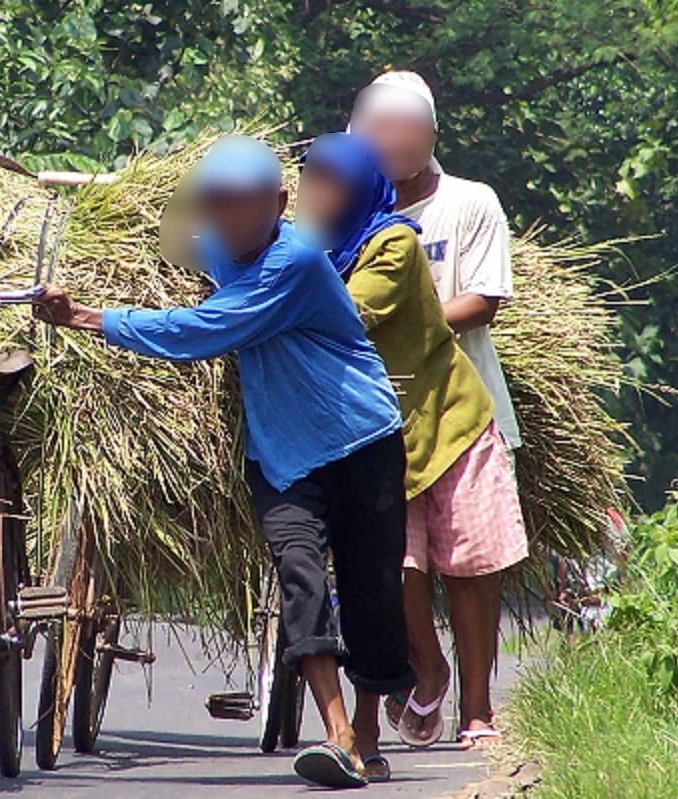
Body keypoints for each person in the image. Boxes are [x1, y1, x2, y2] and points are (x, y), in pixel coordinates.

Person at [33, 134, 416, 788]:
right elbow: (161, 235)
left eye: (245, 205)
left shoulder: (293, 262)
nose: (232, 218)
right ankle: (339, 734)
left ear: (279, 203)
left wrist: (87, 317)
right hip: (280, 454)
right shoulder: (214, 246)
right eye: (218, 204)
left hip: (359, 439)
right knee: (299, 572)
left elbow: (202, 330)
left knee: (371, 588)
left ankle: (369, 728)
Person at [295, 131, 528, 752]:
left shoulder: (391, 242)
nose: (318, 195)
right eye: (310, 181)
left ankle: (477, 709)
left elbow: (343, 313)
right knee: (394, 569)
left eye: (333, 184)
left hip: (444, 419)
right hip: (373, 428)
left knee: (469, 568)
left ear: (363, 191)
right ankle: (428, 667)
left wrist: (259, 303)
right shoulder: (303, 244)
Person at [350, 70, 522, 457]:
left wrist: (402, 330)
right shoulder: (346, 211)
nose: (392, 141)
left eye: (404, 128)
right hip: (380, 424)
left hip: (466, 420)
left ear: (430, 137)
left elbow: (482, 302)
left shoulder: (470, 202)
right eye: (380, 129)